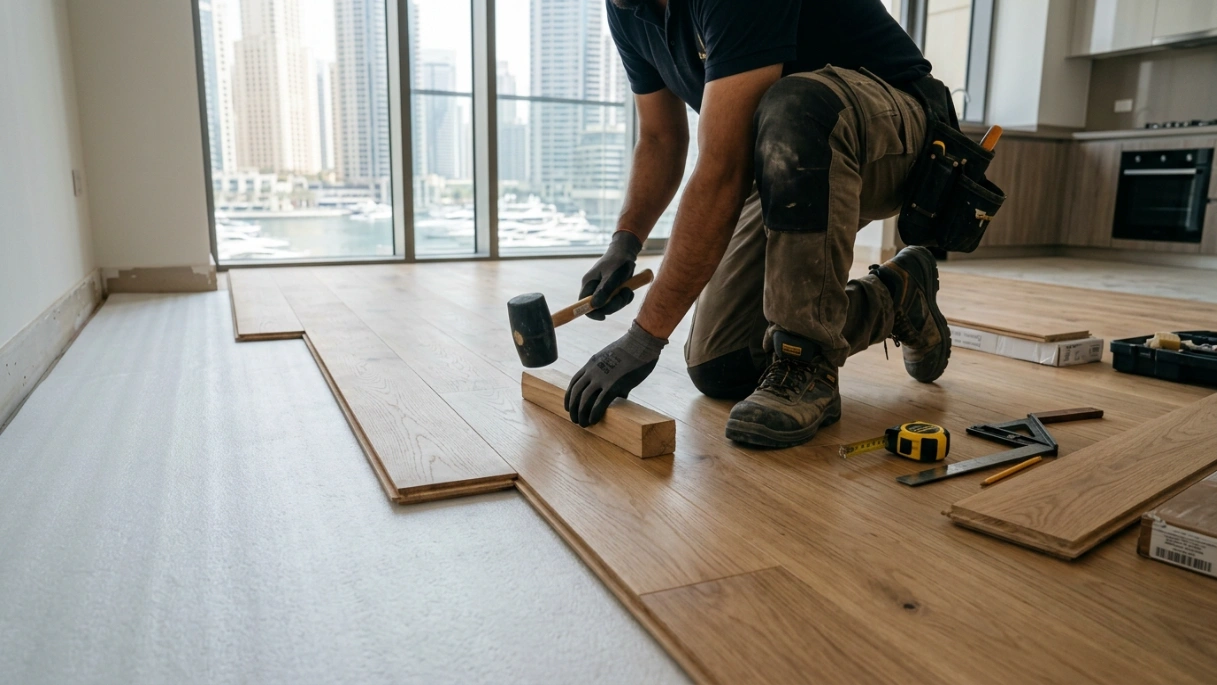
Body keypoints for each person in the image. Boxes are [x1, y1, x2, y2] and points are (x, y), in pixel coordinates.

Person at [564, 0, 957, 448]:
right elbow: (660, 137)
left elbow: (723, 171)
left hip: (899, 132)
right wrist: (625, 242)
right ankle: (897, 296)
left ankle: (806, 363)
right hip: (786, 156)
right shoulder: (628, 10)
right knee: (722, 362)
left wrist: (643, 338)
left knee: (797, 102)